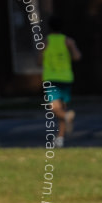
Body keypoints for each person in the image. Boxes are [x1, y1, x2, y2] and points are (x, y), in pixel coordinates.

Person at [38, 17, 81, 148]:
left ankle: (63, 127)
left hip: (51, 78)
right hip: (66, 77)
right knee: (61, 108)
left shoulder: (45, 42)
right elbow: (77, 56)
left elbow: (39, 60)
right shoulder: (68, 41)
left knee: (55, 108)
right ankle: (60, 138)